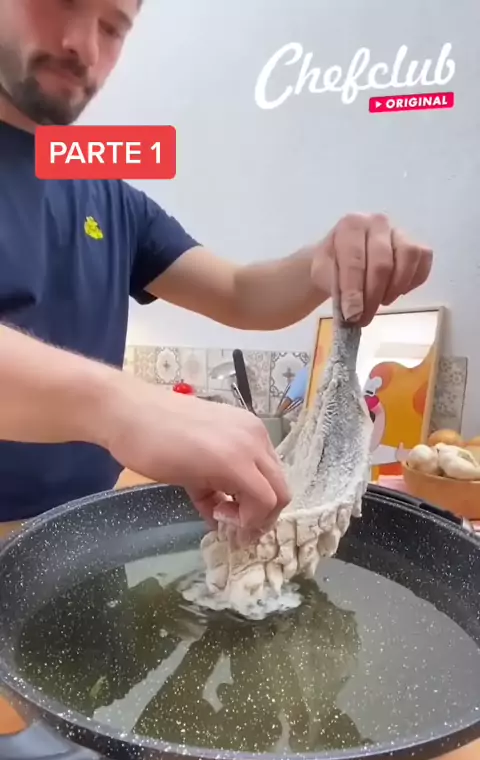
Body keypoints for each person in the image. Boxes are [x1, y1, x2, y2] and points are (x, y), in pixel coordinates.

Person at [0, 0, 433, 531]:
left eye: (113, 27)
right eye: (62, 2)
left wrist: (322, 260)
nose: (84, 47)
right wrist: (127, 406)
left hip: (82, 532)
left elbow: (238, 292)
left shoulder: (99, 184)